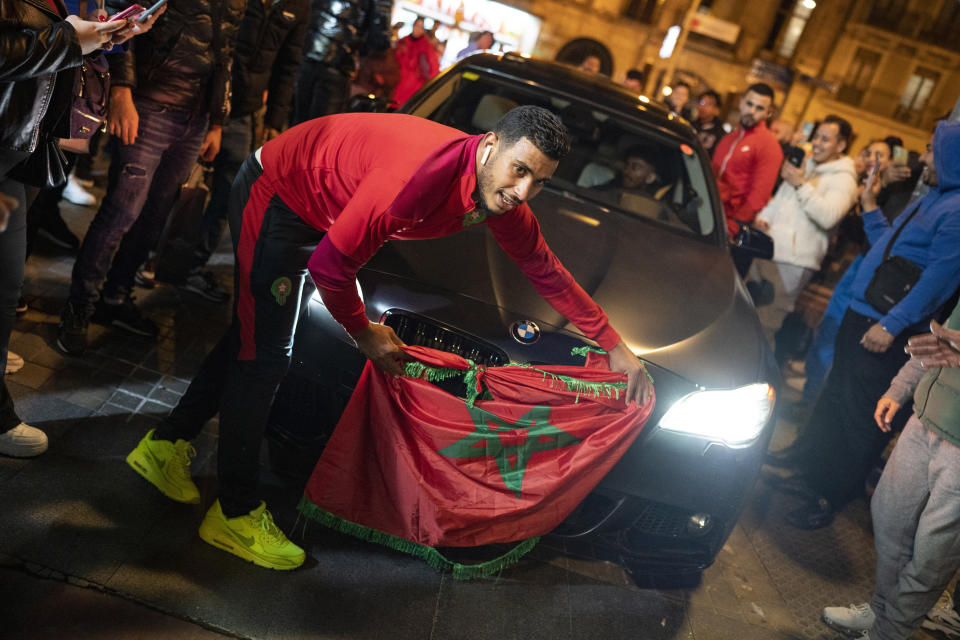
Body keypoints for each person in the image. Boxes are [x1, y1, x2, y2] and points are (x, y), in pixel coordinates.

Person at [122, 106, 653, 570]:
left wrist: (612, 345)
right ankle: (233, 513)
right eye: (520, 171)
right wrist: (363, 333)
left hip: (320, 212)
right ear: (490, 146)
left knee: (254, 331)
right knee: (266, 358)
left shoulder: (499, 194)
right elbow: (332, 267)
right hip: (279, 195)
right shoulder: (416, 178)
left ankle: (166, 443)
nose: (523, 192)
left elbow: (544, 269)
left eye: (540, 182)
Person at [769, 121, 960, 530]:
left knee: (859, 416)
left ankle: (830, 494)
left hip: (885, 322)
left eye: (931, 151)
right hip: (864, 310)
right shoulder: (933, 199)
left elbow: (938, 280)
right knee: (837, 394)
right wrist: (871, 204)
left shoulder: (956, 209)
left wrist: (892, 324)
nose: (923, 158)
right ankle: (808, 466)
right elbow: (889, 244)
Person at [56, 0, 246, 356]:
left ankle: (115, 295)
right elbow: (124, 13)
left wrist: (217, 120)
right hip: (149, 103)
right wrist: (122, 90)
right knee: (121, 211)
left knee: (155, 215)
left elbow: (226, 51)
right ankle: (79, 307)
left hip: (195, 116)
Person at [0, 0, 144, 457]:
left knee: (7, 284)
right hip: (5, 146)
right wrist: (70, 39)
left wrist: (97, 38)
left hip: (17, 144)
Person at [820, 306, 960, 640]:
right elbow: (938, 343)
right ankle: (884, 609)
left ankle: (890, 631)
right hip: (924, 420)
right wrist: (899, 389)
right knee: (888, 517)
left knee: (933, 553)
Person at [159, 0, 309, 302]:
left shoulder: (299, 6)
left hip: (245, 110)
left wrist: (274, 121)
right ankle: (151, 257)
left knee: (232, 193)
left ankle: (191, 267)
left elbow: (288, 65)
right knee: (174, 179)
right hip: (203, 97)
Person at [750, 115, 858, 346]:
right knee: (746, 318)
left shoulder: (844, 180)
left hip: (794, 261)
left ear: (840, 146)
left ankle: (756, 378)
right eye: (816, 136)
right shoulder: (806, 165)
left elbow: (828, 217)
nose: (817, 143)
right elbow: (778, 200)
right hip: (766, 249)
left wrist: (801, 184)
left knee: (765, 324)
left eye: (826, 139)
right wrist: (763, 219)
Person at [293, 0, 391, 122]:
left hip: (310, 51)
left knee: (297, 123)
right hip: (339, 63)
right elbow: (380, 39)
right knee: (321, 128)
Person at [711, 83, 782, 245]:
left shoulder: (769, 145)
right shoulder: (729, 138)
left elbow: (759, 196)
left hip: (728, 227)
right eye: (749, 104)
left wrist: (732, 227)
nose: (752, 112)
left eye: (759, 108)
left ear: (768, 112)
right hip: (709, 215)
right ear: (741, 102)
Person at [392, 17, 439, 105]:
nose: (418, 29)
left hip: (414, 86)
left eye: (421, 27)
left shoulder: (426, 47)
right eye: (417, 26)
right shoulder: (403, 41)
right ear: (413, 26)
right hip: (397, 82)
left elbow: (433, 67)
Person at [693, 89, 724, 156]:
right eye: (702, 102)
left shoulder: (720, 135)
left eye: (709, 104)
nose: (703, 107)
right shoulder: (690, 126)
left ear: (717, 110)